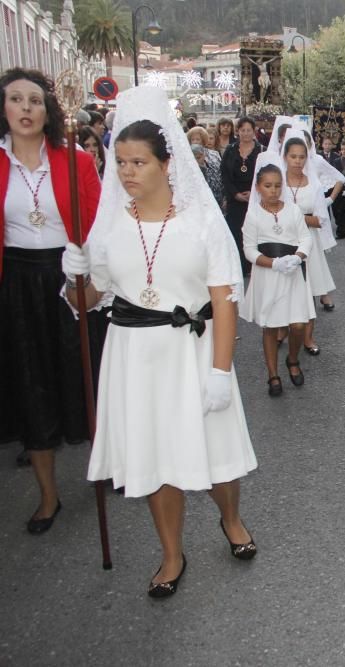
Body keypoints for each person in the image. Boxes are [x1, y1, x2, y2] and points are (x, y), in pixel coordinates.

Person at [63, 87, 257, 597]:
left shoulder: (200, 223)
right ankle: (172, 553)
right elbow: (87, 302)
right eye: (121, 161)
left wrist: (220, 371)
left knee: (214, 453)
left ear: (166, 163)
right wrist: (76, 276)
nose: (127, 172)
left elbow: (223, 300)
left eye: (139, 162)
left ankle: (230, 518)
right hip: (135, 356)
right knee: (157, 459)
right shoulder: (105, 228)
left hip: (193, 349)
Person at [0, 67, 106, 530]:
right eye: (16, 99)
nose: (26, 108)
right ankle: (48, 497)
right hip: (17, 282)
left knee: (87, 377)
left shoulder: (75, 160)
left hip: (69, 276)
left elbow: (99, 225)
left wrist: (93, 278)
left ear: (48, 109)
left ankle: (105, 465)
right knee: (32, 382)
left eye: (35, 100)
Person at [239, 157, 314, 396]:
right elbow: (249, 250)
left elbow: (305, 237)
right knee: (271, 325)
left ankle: (292, 359)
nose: (273, 190)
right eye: (267, 186)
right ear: (258, 187)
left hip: (292, 272)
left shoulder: (292, 210)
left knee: (298, 324)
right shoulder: (253, 215)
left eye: (277, 185)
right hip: (269, 273)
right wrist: (273, 263)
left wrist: (298, 256)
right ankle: (273, 374)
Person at [281, 131, 340, 347]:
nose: (297, 161)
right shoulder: (277, 183)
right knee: (285, 288)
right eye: (293, 156)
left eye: (301, 157)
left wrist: (296, 216)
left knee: (310, 290)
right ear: (285, 157)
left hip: (309, 242)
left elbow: (320, 219)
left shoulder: (313, 184)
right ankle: (283, 329)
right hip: (283, 240)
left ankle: (308, 337)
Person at [220, 117, 263, 275]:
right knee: (236, 232)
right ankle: (238, 266)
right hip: (235, 198)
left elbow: (265, 174)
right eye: (242, 130)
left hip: (256, 197)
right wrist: (235, 194)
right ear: (238, 131)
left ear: (254, 131)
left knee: (254, 232)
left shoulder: (261, 150)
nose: (245, 133)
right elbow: (224, 175)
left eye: (249, 130)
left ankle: (254, 265)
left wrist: (254, 192)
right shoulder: (230, 150)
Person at [187, 126, 224, 207]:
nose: (195, 142)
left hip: (216, 195)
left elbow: (221, 174)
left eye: (198, 139)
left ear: (203, 141)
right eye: (193, 140)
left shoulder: (215, 154)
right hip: (198, 198)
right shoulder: (186, 157)